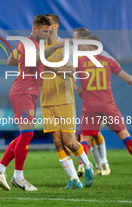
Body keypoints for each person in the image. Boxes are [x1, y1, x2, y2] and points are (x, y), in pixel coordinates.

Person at [0, 15, 66, 191]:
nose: (48, 34)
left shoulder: (28, 44)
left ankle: (0, 168)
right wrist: (57, 46)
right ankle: (18, 177)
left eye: (50, 31)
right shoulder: (29, 43)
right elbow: (35, 59)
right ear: (35, 29)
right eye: (45, 31)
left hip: (28, 93)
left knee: (24, 135)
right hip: (22, 92)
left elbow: (11, 60)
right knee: (27, 134)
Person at [37, 14, 94, 189]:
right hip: (46, 100)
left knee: (69, 141)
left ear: (54, 27)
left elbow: (73, 70)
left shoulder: (66, 46)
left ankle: (88, 165)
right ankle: (74, 180)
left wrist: (50, 66)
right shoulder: (39, 47)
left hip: (64, 99)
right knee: (57, 141)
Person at [76, 35, 132, 170]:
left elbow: (66, 72)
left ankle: (82, 166)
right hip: (108, 105)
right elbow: (129, 79)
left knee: (85, 138)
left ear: (89, 47)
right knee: (124, 135)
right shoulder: (108, 62)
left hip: (89, 107)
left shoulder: (80, 62)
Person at [73, 27, 110, 176]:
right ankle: (98, 165)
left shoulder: (98, 57)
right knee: (89, 134)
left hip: (99, 102)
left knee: (89, 134)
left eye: (75, 38)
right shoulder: (78, 56)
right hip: (88, 102)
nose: (73, 40)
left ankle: (97, 164)